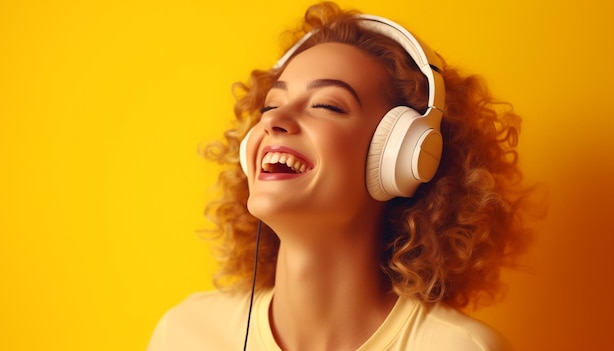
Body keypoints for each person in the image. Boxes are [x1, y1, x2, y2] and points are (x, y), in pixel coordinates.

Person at [148, 2, 535, 350]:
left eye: (327, 105)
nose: (275, 121)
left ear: (401, 156)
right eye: (271, 105)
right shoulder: (184, 334)